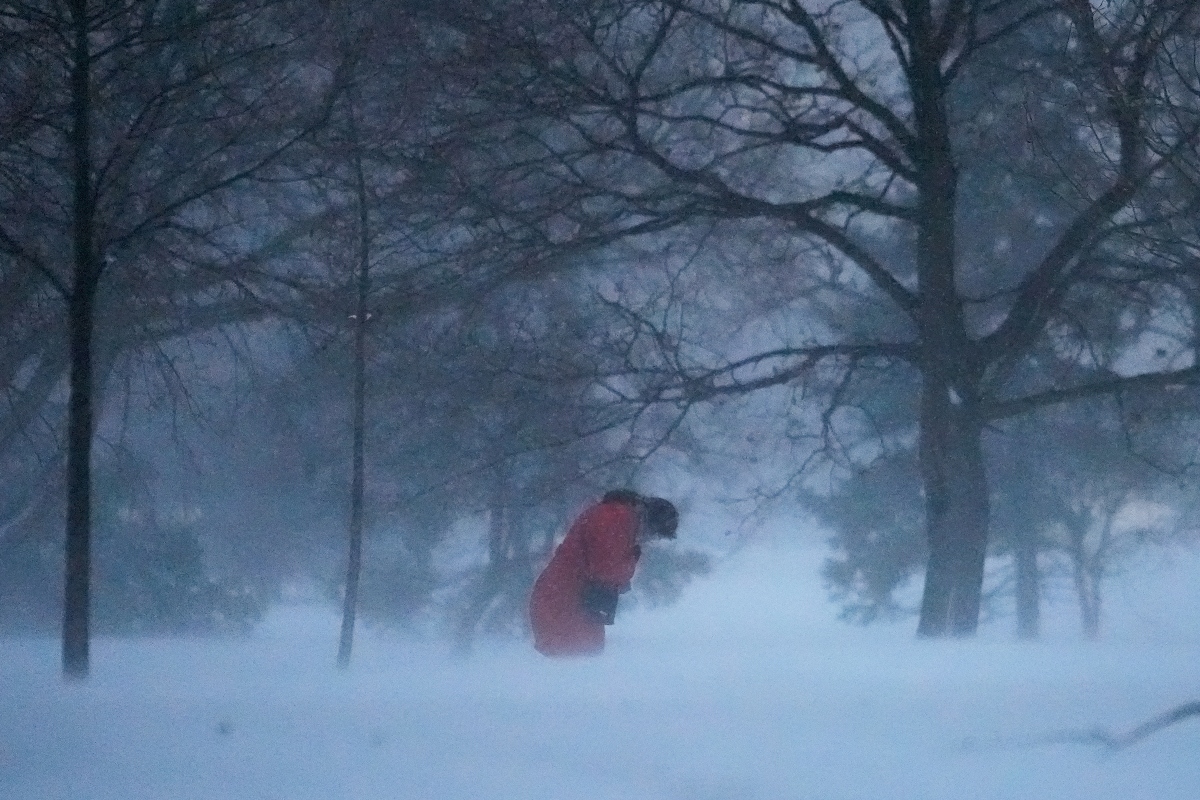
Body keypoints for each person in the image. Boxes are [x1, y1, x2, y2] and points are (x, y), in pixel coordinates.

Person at [528, 489, 679, 657]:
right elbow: (606, 569)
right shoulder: (616, 519)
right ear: (649, 521)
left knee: (581, 664)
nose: (649, 540)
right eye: (654, 535)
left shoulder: (615, 516)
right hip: (563, 602)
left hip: (571, 600)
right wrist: (633, 556)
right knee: (574, 663)